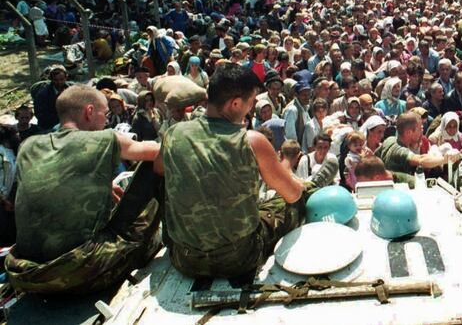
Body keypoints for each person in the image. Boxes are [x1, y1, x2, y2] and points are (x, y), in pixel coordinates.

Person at [6, 85, 162, 294]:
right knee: (155, 167)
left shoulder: (28, 146)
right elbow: (161, 151)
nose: (106, 120)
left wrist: (103, 184)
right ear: (89, 112)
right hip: (78, 273)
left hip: (27, 274)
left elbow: (51, 182)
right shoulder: (105, 138)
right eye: (104, 114)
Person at [160, 63, 307, 279]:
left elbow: (158, 169)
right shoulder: (252, 141)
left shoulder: (173, 133)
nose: (251, 108)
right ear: (236, 103)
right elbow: (292, 193)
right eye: (251, 102)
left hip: (185, 259)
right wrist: (300, 184)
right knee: (294, 201)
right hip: (239, 259)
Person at [376, 112, 458, 187]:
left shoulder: (389, 140)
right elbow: (420, 160)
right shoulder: (400, 151)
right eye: (419, 129)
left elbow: (374, 156)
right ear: (409, 132)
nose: (421, 133)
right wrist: (445, 159)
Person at [33, 65, 69, 131]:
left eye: (61, 79)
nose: (59, 82)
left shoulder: (71, 90)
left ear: (66, 78)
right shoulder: (42, 95)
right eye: (56, 80)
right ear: (51, 79)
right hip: (49, 127)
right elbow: (40, 115)